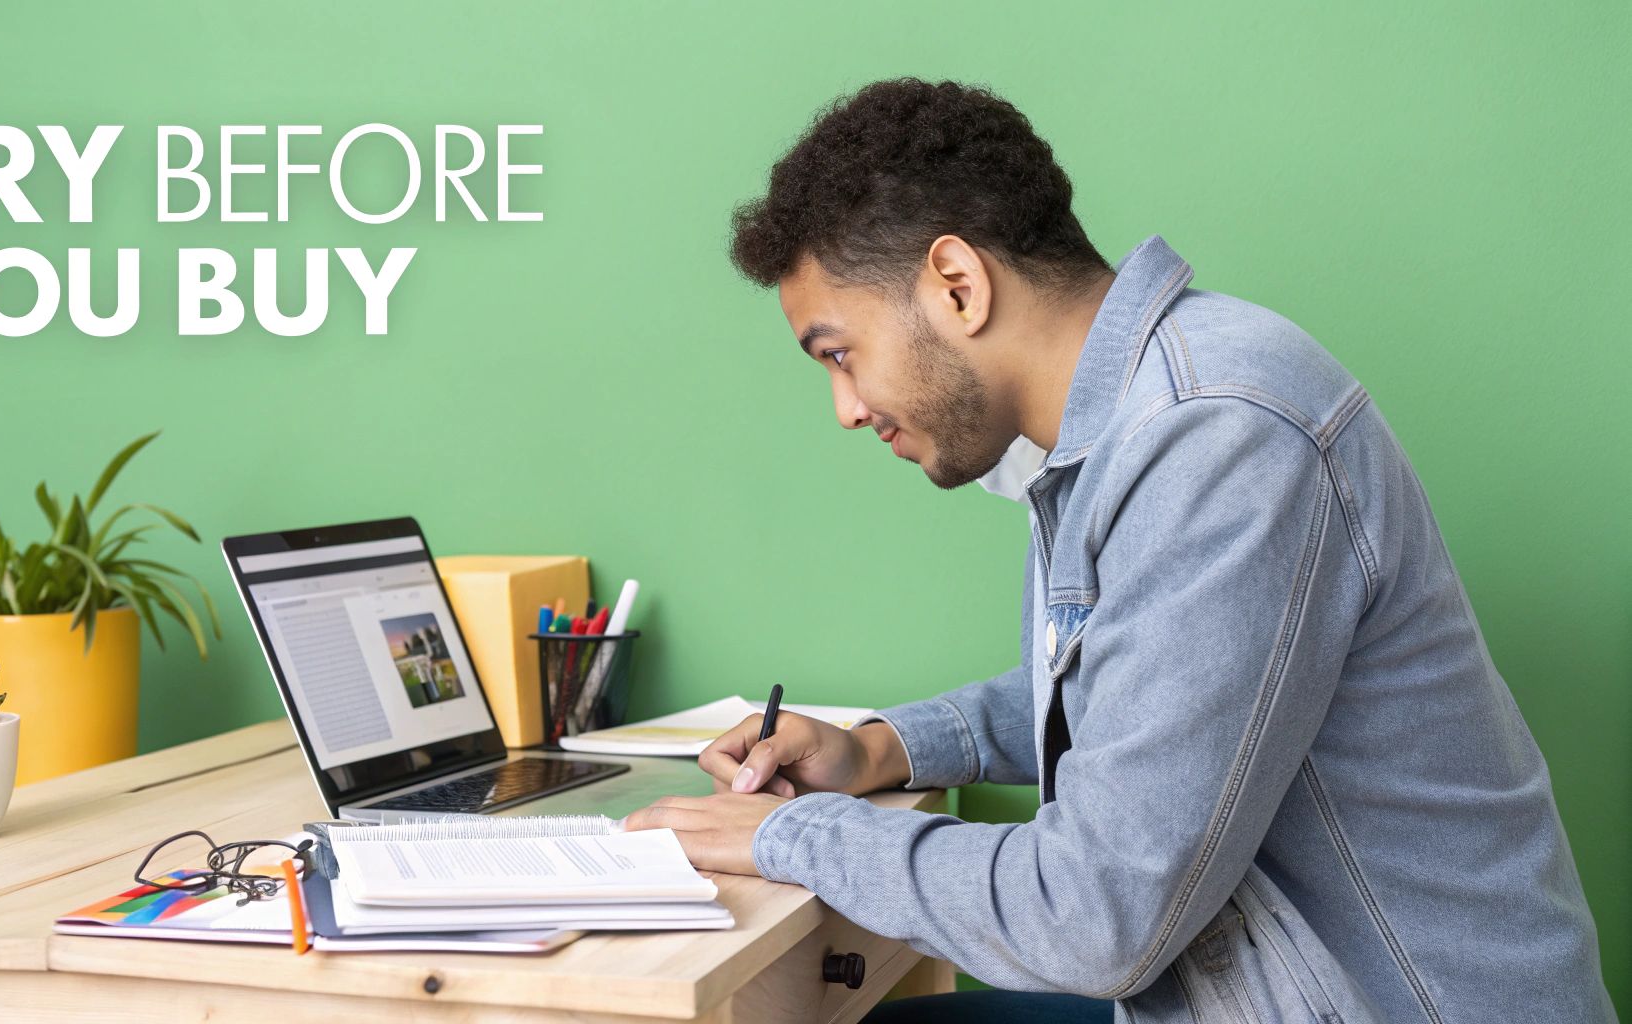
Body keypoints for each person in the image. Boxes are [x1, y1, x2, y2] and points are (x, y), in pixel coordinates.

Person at [622, 78, 1614, 1023]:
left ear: (957, 284)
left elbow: (1094, 920)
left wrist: (793, 835)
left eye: (840, 353)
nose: (844, 408)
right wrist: (879, 748)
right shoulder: (1125, 429)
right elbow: (1146, 696)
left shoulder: (1215, 435)